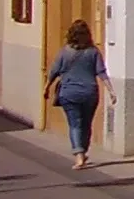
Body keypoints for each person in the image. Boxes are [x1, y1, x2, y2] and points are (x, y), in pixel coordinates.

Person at [46, 19, 115, 170]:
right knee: (86, 124)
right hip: (89, 93)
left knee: (75, 124)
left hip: (69, 93)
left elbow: (54, 72)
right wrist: (111, 90)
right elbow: (101, 72)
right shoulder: (93, 52)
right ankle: (83, 150)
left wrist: (47, 87)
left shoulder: (64, 52)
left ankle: (79, 155)